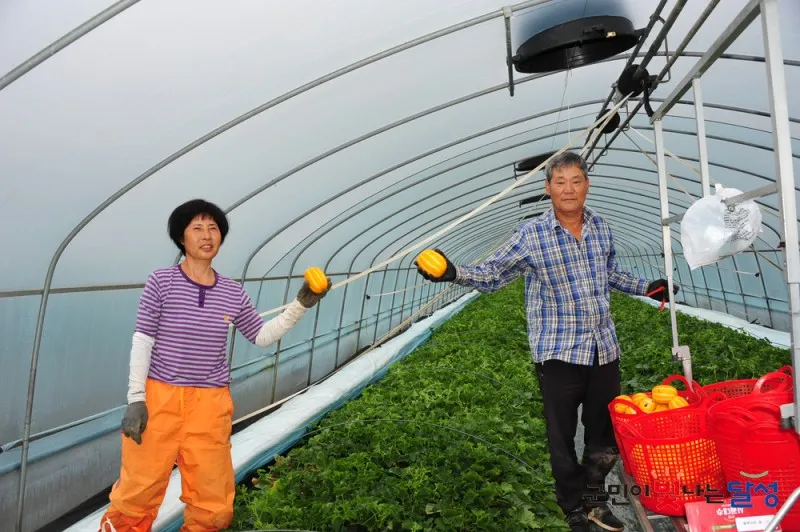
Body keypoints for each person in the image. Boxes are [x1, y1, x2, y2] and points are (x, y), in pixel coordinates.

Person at [415, 152, 678, 532]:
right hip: (557, 351)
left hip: (603, 348)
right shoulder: (531, 234)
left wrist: (648, 287)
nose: (569, 189)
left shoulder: (601, 228)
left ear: (587, 185)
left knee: (604, 433)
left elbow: (611, 274)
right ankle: (573, 508)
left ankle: (595, 501)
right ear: (548, 188)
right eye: (560, 182)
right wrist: (453, 272)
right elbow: (493, 274)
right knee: (562, 437)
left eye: (576, 181)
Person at [99, 199, 331, 531]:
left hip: (209, 405)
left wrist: (300, 305)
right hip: (160, 400)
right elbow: (143, 339)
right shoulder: (161, 282)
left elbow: (261, 335)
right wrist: (136, 399)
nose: (207, 235)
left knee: (213, 503)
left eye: (213, 228)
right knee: (137, 494)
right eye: (197, 228)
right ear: (181, 238)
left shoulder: (232, 292)